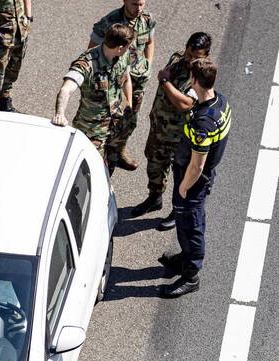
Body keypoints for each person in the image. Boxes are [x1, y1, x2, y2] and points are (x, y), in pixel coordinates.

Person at [160, 57, 231, 298]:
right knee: (186, 224)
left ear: (194, 80)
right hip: (198, 177)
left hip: (193, 182)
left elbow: (197, 164)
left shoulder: (204, 122)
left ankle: (191, 275)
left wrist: (184, 187)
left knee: (191, 227)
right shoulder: (221, 102)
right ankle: (185, 258)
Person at [132, 32, 212, 225]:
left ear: (206, 55)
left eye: (196, 57)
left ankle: (178, 211)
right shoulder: (177, 58)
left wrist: (165, 81)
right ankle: (154, 198)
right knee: (155, 165)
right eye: (189, 53)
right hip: (159, 127)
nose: (190, 59)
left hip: (179, 136)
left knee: (181, 175)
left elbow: (185, 103)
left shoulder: (201, 75)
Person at [52, 23, 135, 162]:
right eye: (128, 46)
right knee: (89, 164)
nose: (129, 49)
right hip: (93, 129)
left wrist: (129, 106)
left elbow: (126, 78)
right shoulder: (87, 63)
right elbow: (66, 89)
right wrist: (60, 114)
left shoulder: (123, 56)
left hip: (118, 122)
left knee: (112, 159)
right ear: (120, 48)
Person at [89, 0, 156, 171]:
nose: (139, 9)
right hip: (116, 84)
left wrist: (148, 65)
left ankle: (119, 151)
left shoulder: (147, 19)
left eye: (142, 4)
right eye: (134, 4)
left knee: (129, 120)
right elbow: (92, 52)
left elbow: (149, 42)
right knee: (109, 123)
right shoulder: (110, 23)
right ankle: (102, 161)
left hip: (138, 83)